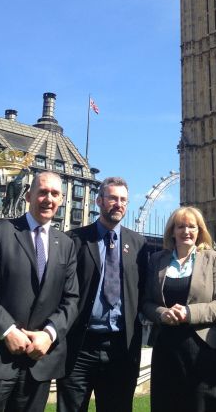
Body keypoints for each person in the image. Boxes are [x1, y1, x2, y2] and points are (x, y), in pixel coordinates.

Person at [0, 171, 79, 412]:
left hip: (38, 364)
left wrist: (49, 334)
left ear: (61, 200)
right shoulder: (0, 232)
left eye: (55, 194)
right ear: (28, 196)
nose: (48, 198)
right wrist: (7, 331)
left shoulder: (66, 245)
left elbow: (71, 300)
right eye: (43, 192)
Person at [57, 176, 148, 412]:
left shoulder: (139, 244)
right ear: (99, 201)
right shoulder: (74, 240)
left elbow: (145, 292)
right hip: (80, 346)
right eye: (112, 198)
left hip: (121, 347)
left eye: (123, 200)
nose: (118, 204)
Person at [143, 206, 216, 412]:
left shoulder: (212, 258)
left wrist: (188, 313)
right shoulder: (157, 260)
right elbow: (146, 302)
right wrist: (162, 314)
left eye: (192, 226)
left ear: (200, 230)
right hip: (166, 347)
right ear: (172, 231)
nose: (186, 231)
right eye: (180, 226)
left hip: (202, 348)